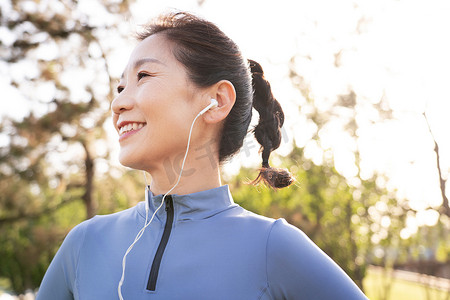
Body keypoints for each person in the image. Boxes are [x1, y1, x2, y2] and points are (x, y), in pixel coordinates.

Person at [36, 11, 368, 300]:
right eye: (120, 87)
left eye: (144, 76)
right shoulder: (84, 244)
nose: (118, 103)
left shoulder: (273, 247)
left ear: (217, 101)